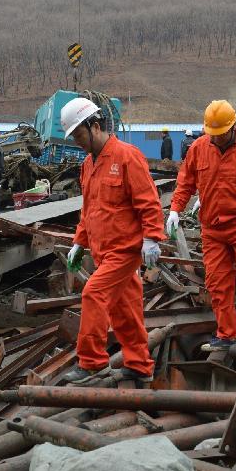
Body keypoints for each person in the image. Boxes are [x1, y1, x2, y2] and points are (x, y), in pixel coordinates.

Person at [60, 98, 165, 384]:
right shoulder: (88, 165)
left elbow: (148, 201)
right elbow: (89, 209)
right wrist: (79, 242)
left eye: (79, 136)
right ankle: (140, 364)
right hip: (103, 250)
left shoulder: (127, 156)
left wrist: (152, 237)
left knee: (93, 294)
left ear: (94, 126)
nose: (78, 143)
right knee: (125, 309)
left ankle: (92, 362)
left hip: (125, 249)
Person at [167, 100, 236, 351]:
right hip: (212, 229)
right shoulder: (199, 148)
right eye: (213, 135)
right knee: (217, 283)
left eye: (221, 135)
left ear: (233, 127)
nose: (216, 140)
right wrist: (176, 208)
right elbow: (186, 182)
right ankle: (226, 334)